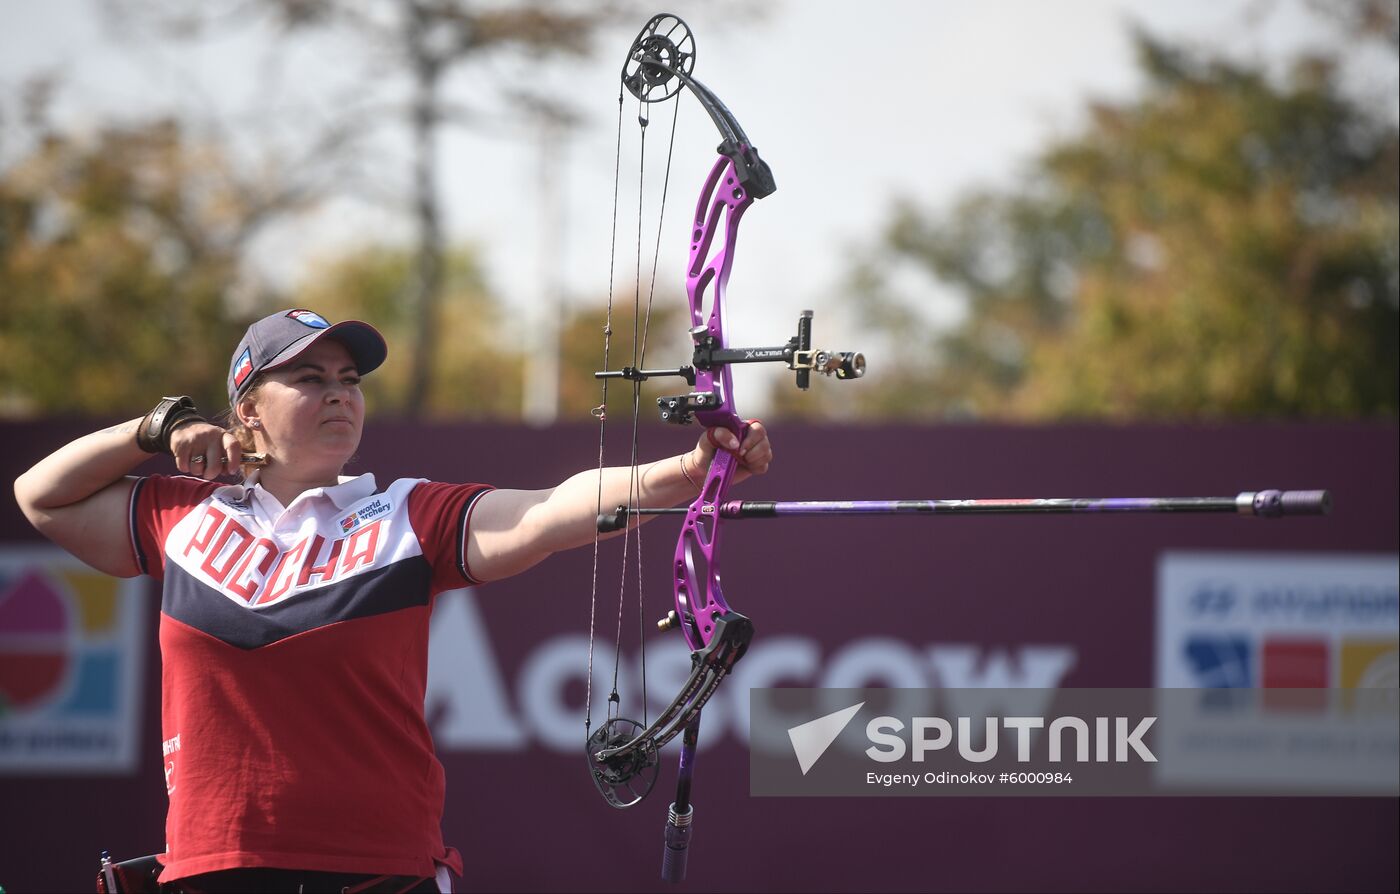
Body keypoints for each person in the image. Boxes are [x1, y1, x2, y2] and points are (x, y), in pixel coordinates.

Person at [12, 308, 771, 893]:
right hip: (213, 865)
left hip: (377, 871)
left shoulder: (405, 515)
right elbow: (41, 496)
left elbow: (550, 509)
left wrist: (689, 471)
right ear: (246, 409)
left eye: (349, 380)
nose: (339, 394)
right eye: (310, 380)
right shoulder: (182, 513)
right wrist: (154, 425)